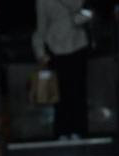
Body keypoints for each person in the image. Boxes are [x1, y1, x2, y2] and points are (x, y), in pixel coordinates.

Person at [35, 0, 91, 140]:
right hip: (56, 48)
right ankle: (62, 131)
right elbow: (41, 26)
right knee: (59, 93)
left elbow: (82, 7)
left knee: (78, 91)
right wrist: (40, 52)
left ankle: (79, 130)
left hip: (77, 44)